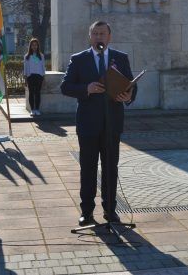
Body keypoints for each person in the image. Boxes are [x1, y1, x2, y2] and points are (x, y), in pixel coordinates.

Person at [61, 20, 137, 226]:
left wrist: (127, 96)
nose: (99, 37)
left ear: (109, 37)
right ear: (90, 37)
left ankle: (110, 210)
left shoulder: (120, 58)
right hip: (88, 123)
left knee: (111, 167)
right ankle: (87, 212)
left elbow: (131, 85)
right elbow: (65, 86)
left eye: (102, 33)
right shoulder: (79, 59)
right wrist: (87, 88)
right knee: (88, 168)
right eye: (95, 34)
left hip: (112, 122)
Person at [23, 37, 46, 116]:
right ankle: (32, 109)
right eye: (33, 45)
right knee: (31, 93)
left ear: (38, 46)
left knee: (37, 93)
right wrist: (25, 79)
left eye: (36, 45)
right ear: (30, 46)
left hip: (39, 76)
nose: (34, 46)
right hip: (30, 76)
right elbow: (25, 68)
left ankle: (37, 109)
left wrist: (43, 78)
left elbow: (43, 67)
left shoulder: (41, 56)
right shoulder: (27, 56)